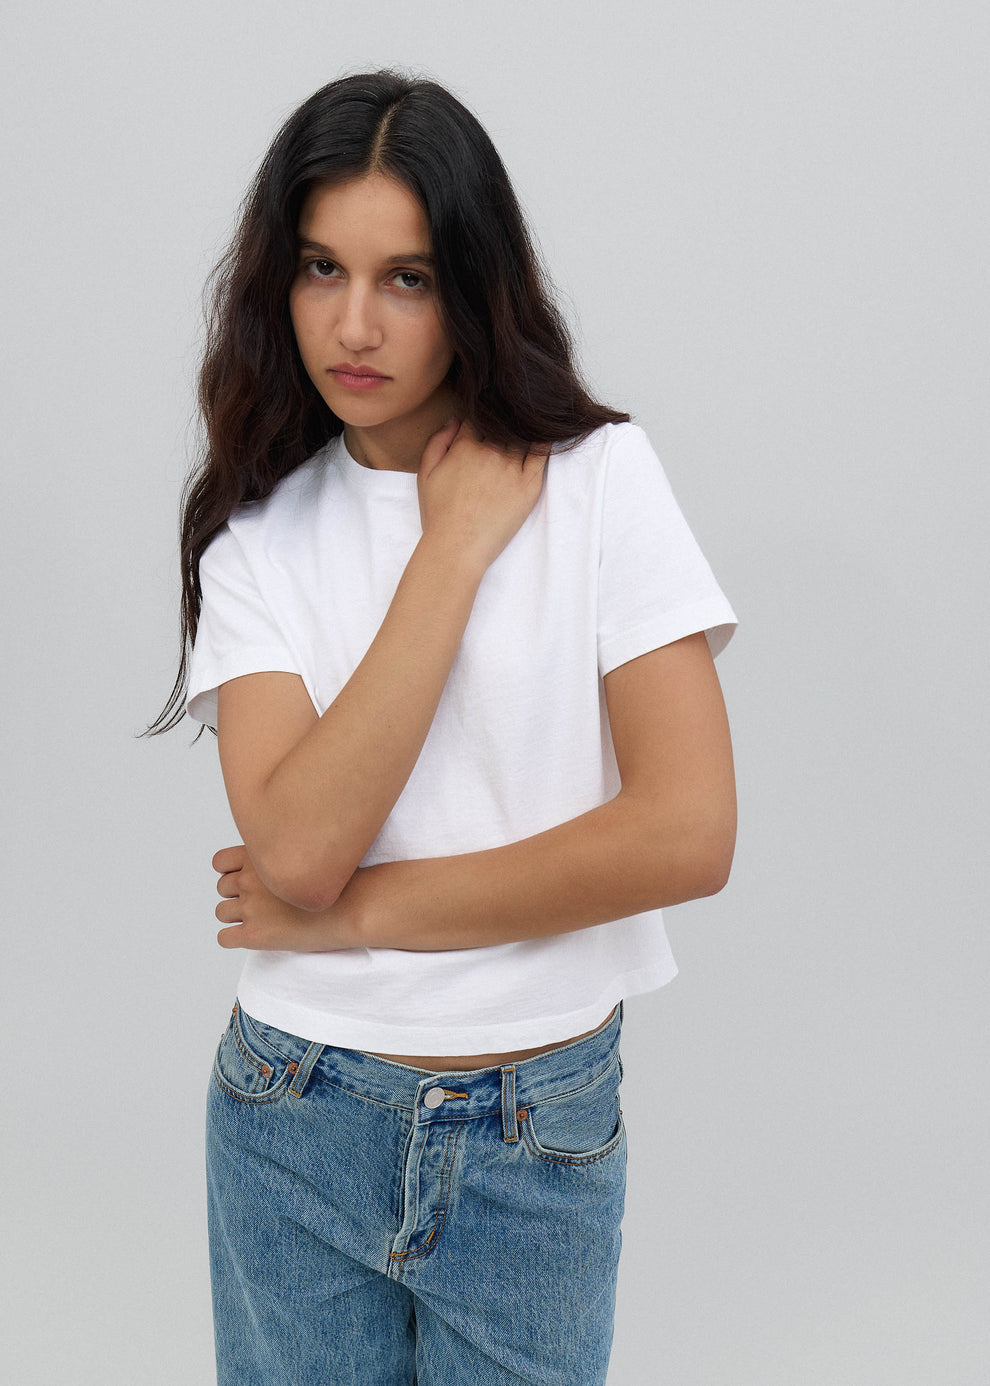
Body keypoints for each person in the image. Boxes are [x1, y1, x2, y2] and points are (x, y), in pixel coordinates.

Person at [146, 68, 738, 1386]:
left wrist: (361, 914)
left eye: (405, 278)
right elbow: (295, 850)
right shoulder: (257, 535)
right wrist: (450, 550)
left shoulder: (600, 481)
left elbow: (688, 833)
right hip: (293, 1116)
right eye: (319, 268)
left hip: (535, 1128)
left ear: (472, 283)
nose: (353, 324)